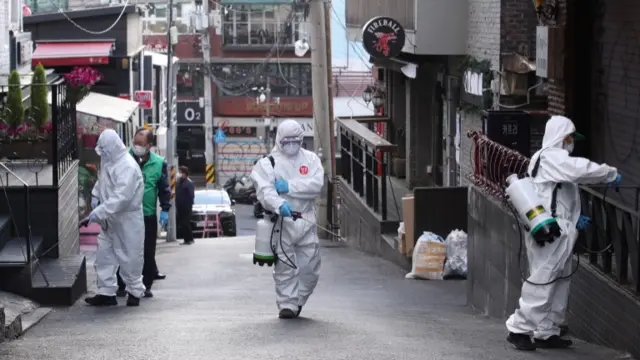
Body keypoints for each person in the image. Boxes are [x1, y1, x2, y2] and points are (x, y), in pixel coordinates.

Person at [506, 115, 621, 351]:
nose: (571, 142)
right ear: (562, 137)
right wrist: (609, 173)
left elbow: (556, 194)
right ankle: (520, 328)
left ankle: (546, 331)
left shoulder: (546, 160)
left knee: (559, 280)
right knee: (545, 278)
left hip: (556, 228)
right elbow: (579, 170)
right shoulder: (551, 158)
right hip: (552, 230)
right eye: (570, 137)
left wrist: (575, 219)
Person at [250, 119, 325, 319]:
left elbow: (316, 185)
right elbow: (265, 191)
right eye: (287, 140)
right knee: (285, 266)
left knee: (310, 267)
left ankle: (299, 300)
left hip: (306, 218)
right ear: (279, 140)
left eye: (295, 140)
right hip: (281, 222)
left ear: (301, 139)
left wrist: (289, 187)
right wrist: (278, 204)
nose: (291, 144)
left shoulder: (311, 160)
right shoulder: (267, 164)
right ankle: (287, 305)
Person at [83, 129, 146, 307]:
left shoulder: (128, 166)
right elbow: (101, 182)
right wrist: (96, 197)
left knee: (130, 255)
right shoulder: (109, 162)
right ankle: (106, 292)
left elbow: (122, 197)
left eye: (105, 149)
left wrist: (99, 211)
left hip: (127, 219)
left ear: (113, 147)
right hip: (109, 219)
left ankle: (134, 291)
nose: (103, 153)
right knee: (104, 255)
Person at [116, 128, 171, 298]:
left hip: (147, 215)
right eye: (135, 142)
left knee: (147, 251)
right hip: (126, 214)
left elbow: (164, 189)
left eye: (140, 144)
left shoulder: (158, 163)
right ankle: (121, 284)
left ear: (149, 145)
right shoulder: (124, 159)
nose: (136, 146)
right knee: (124, 249)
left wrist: (165, 209)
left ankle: (146, 285)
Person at [176, 166, 195, 245]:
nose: (180, 174)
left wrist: (188, 205)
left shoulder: (189, 183)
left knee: (186, 223)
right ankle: (186, 239)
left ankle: (190, 239)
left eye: (181, 172)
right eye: (179, 172)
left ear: (185, 173)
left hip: (186, 207)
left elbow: (191, 195)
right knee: (181, 224)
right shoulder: (179, 182)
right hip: (179, 206)